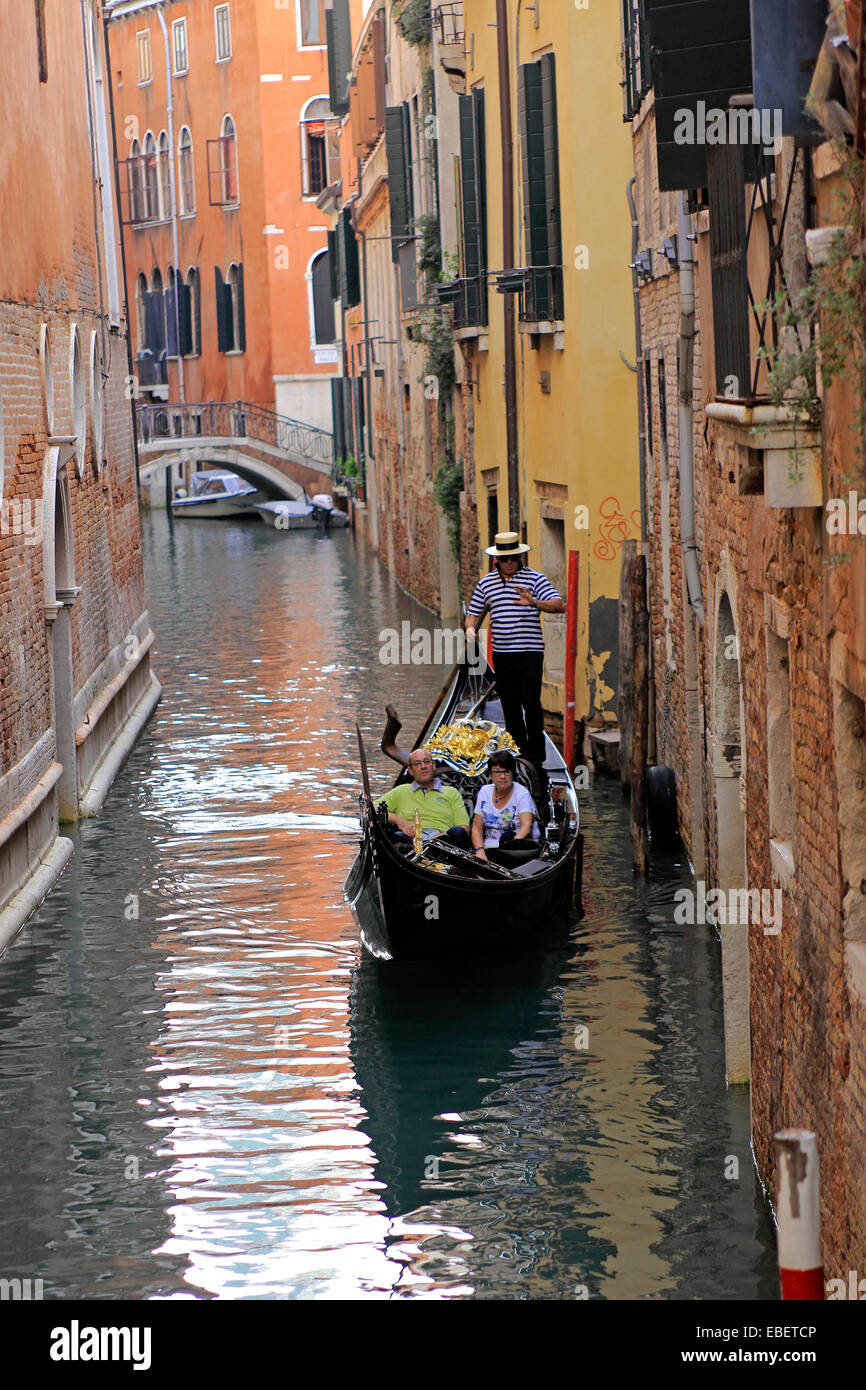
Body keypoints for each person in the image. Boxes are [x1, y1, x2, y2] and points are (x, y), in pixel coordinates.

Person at [464, 531, 566, 787]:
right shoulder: (486, 584)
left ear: (520, 556)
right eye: (505, 559)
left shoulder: (534, 578)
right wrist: (469, 629)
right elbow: (473, 613)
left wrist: (535, 603)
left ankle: (536, 755)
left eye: (513, 557)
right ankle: (517, 751)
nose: (509, 562)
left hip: (530, 651)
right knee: (509, 704)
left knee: (531, 702)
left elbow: (559, 604)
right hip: (503, 653)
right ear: (498, 560)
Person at [376, 748, 471, 849]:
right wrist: (397, 819)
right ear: (411, 771)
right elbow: (372, 810)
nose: (423, 766)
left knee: (458, 832)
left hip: (444, 843)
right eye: (417, 764)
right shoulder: (401, 791)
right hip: (410, 842)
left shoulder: (451, 792)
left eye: (426, 762)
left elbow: (464, 828)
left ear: (433, 765)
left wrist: (440, 837)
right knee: (396, 837)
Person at [471, 750, 539, 862]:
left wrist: (511, 846)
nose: (502, 776)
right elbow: (477, 827)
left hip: (516, 846)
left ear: (512, 773)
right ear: (490, 774)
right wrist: (479, 851)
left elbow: (526, 826)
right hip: (490, 847)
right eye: (497, 772)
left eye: (506, 772)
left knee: (507, 836)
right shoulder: (484, 792)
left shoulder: (522, 793)